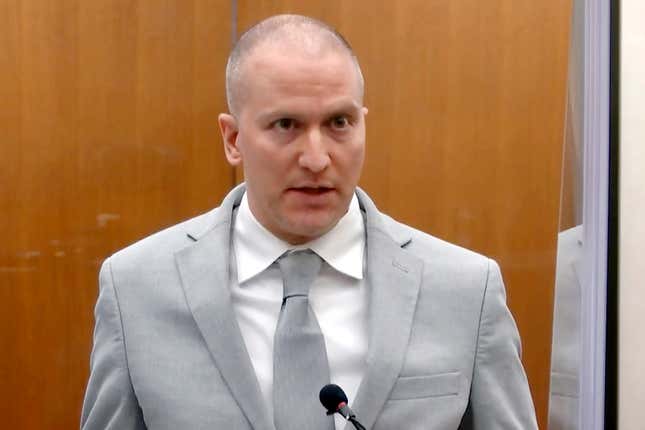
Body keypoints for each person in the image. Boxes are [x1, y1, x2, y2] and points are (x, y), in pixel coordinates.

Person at [81, 14, 538, 430]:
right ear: (233, 138)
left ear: (363, 125)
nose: (317, 159)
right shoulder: (136, 289)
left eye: (339, 122)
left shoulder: (465, 290)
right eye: (285, 125)